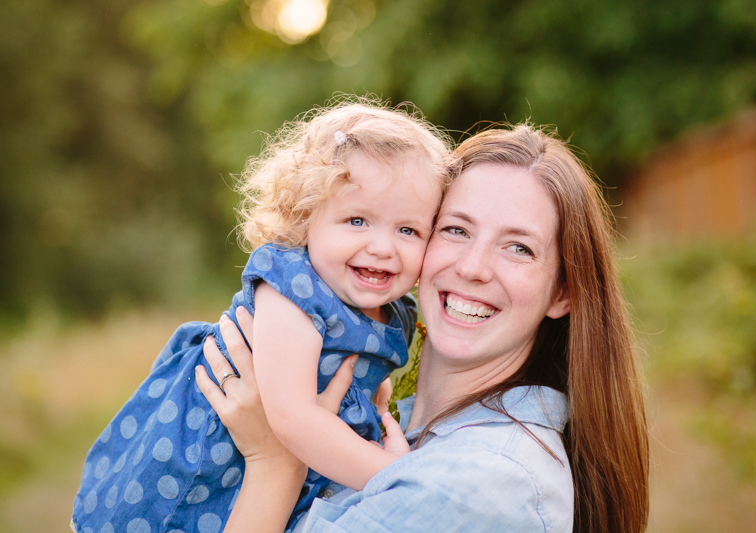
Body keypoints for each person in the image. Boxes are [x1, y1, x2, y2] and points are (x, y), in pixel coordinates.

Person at [198, 124, 651, 533]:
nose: (473, 267)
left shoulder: (481, 485)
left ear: (562, 294)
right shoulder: (392, 416)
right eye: (455, 230)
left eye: (518, 248)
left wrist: (275, 463)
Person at [71, 98, 453, 533]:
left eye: (408, 230)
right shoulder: (292, 286)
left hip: (299, 460)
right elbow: (291, 416)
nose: (383, 246)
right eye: (357, 220)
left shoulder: (397, 309)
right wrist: (392, 476)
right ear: (305, 218)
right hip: (210, 456)